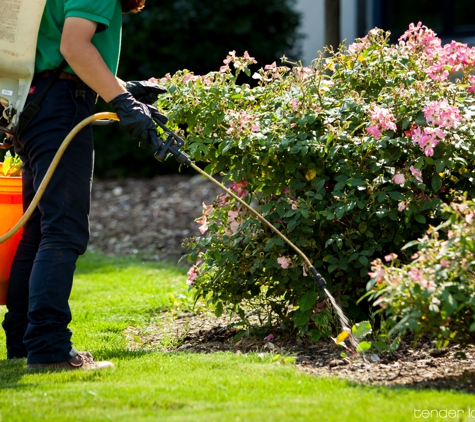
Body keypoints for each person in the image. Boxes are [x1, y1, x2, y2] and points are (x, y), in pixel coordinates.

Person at [2, 0, 165, 370]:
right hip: (58, 107)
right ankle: (49, 347)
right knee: (63, 229)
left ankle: (24, 342)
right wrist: (122, 101)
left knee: (39, 229)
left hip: (31, 100)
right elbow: (74, 47)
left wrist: (127, 90)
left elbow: (53, 53)